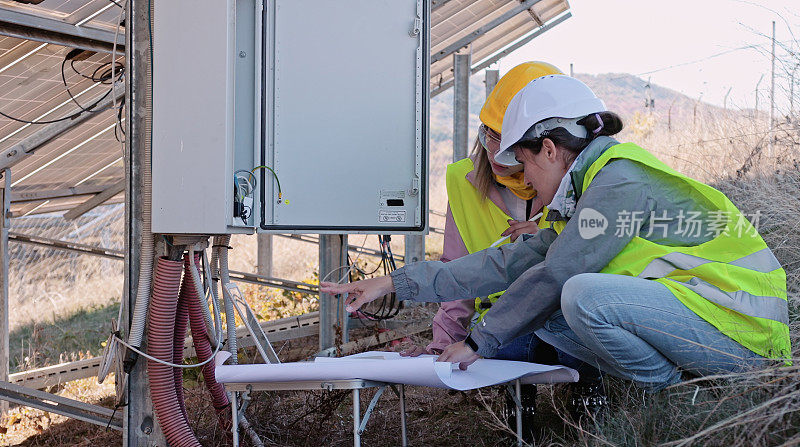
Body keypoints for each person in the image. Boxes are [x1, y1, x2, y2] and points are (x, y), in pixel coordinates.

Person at [322, 75, 790, 393]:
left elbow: (559, 272)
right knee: (541, 309)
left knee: (576, 293)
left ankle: (674, 394)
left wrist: (479, 339)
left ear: (548, 149)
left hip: (746, 335)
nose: (523, 179)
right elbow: (505, 264)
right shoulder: (589, 192)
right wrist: (393, 283)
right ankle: (674, 388)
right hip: (707, 321)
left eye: (523, 163)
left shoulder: (619, 182)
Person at [401, 63, 603, 431]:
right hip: (501, 322)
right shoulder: (464, 183)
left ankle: (590, 407)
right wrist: (442, 345)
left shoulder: (586, 179)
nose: (495, 153)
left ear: (547, 144)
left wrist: (549, 231)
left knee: (573, 318)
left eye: (508, 141)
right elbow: (457, 271)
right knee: (508, 343)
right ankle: (518, 412)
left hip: (564, 315)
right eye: (489, 135)